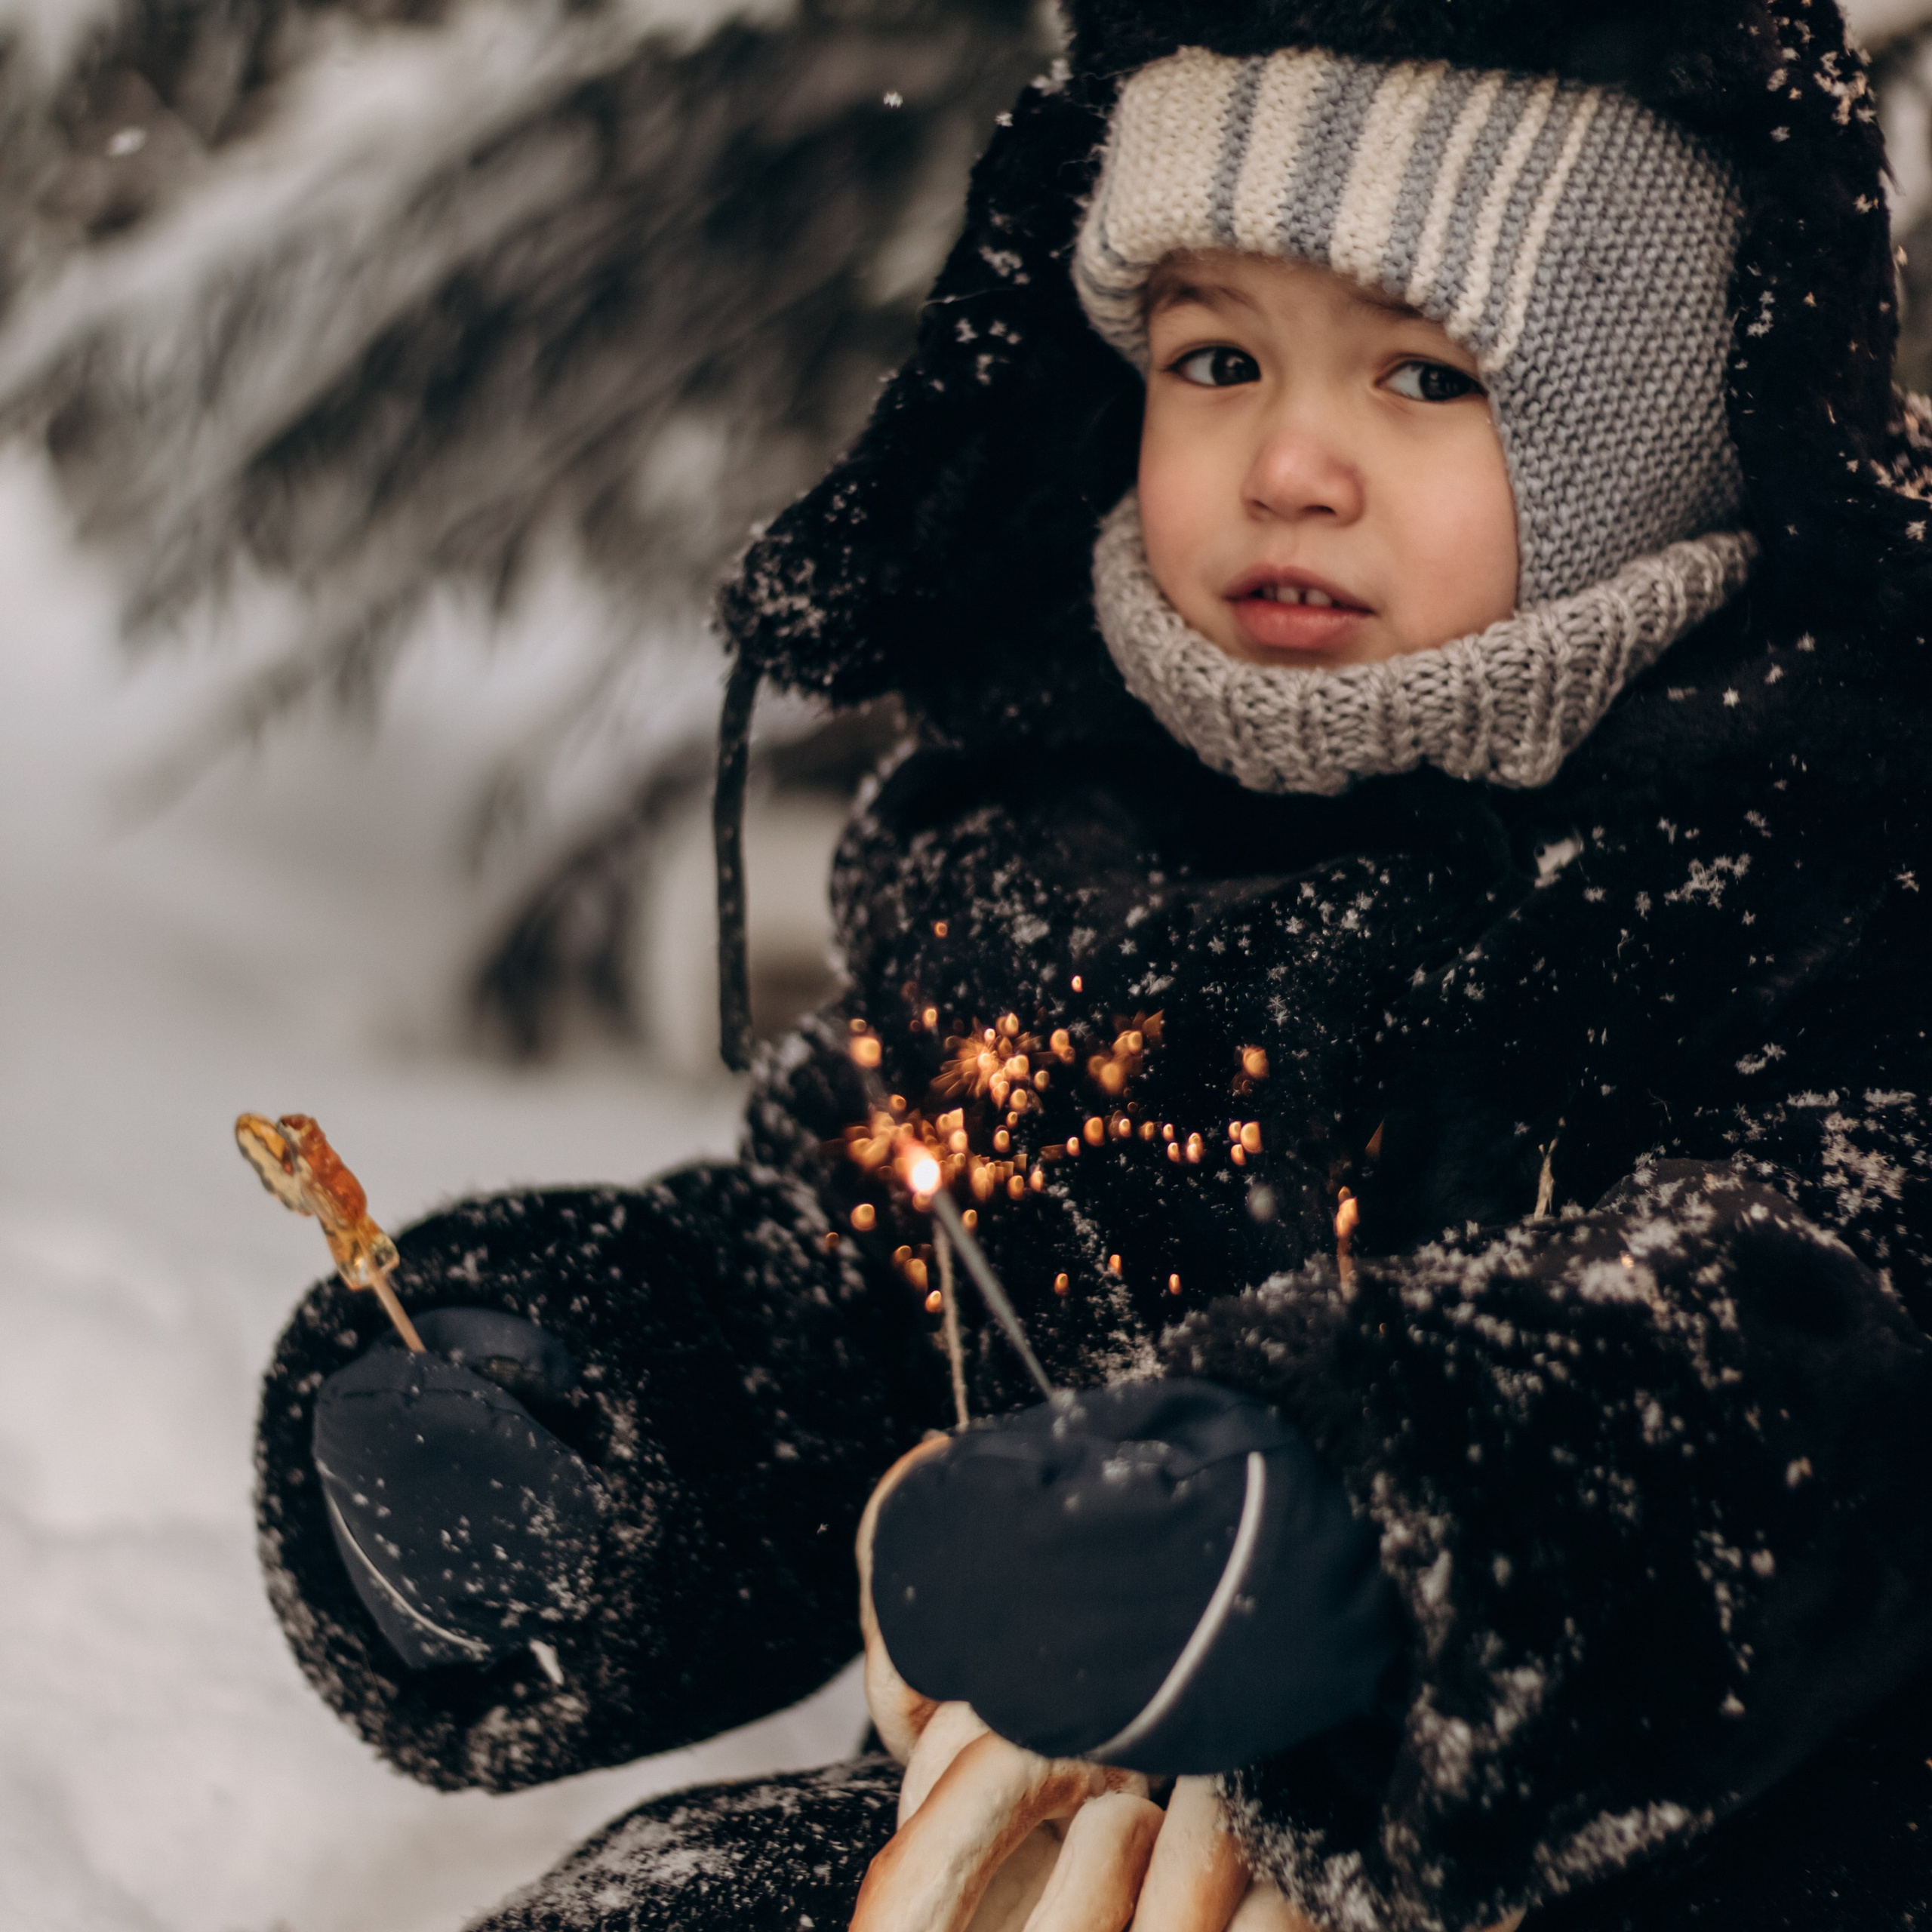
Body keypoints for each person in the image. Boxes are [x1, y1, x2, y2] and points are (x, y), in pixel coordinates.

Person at [254, 3, 1932, 1927]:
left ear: (1664, 432)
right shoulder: (1054, 845)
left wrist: (1358, 1521)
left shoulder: (1825, 866)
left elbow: (1818, 1361)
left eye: (1424, 373)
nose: (1286, 461)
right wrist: (595, 1420)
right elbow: (867, 1276)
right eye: (1215, 357)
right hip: (1073, 1844)